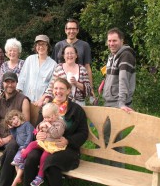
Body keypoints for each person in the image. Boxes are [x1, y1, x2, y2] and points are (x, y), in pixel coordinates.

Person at [23, 78, 88, 186]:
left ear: (68, 91)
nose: (58, 91)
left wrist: (67, 141)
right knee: (31, 157)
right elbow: (37, 128)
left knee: (51, 162)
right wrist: (38, 134)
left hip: (67, 149)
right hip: (46, 144)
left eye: (62, 88)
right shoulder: (46, 107)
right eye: (56, 88)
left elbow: (83, 133)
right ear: (52, 90)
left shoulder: (76, 110)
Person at [101, 27, 136, 167]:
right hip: (109, 101)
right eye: (109, 41)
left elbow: (123, 80)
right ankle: (110, 169)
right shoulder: (113, 55)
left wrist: (122, 103)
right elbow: (112, 75)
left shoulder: (125, 55)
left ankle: (112, 170)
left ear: (122, 40)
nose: (111, 43)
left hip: (117, 103)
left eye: (114, 40)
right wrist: (104, 84)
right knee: (112, 138)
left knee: (109, 138)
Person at [18, 103, 66, 186]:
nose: (46, 119)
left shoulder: (60, 123)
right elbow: (36, 131)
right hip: (43, 142)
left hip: (52, 145)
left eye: (49, 117)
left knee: (44, 157)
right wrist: (40, 127)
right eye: (45, 117)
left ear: (56, 115)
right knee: (32, 144)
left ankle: (40, 176)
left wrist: (49, 126)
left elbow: (56, 135)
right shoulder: (45, 120)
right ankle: (22, 158)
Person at [52, 19, 94, 93]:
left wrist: (91, 89)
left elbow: (87, 67)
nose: (71, 31)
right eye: (69, 29)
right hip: (60, 89)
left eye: (74, 29)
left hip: (78, 87)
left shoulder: (84, 45)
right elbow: (54, 67)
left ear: (77, 30)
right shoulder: (58, 45)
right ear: (65, 30)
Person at [17, 35, 57, 106]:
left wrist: (42, 100)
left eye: (43, 44)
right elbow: (21, 78)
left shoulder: (53, 64)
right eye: (38, 44)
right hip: (25, 100)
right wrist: (17, 94)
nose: (41, 47)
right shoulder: (30, 59)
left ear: (48, 46)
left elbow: (51, 86)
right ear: (35, 46)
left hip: (42, 102)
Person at [4, 110, 34, 186]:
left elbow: (30, 136)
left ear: (18, 115)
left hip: (29, 147)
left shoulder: (27, 124)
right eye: (11, 122)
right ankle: (19, 177)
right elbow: (15, 137)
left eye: (14, 118)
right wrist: (11, 129)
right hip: (21, 148)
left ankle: (15, 180)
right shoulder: (17, 128)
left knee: (19, 162)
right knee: (15, 162)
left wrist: (25, 146)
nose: (14, 122)